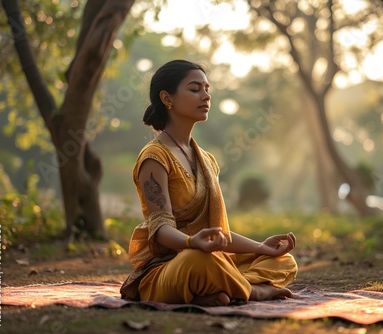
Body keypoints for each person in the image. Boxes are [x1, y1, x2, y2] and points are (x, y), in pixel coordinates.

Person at [120, 59, 298, 306]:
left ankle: (214, 292)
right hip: (170, 268)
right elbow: (160, 231)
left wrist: (262, 248)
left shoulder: (207, 160)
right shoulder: (154, 158)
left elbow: (219, 234)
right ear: (167, 98)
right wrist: (192, 242)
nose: (205, 96)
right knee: (198, 261)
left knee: (283, 261)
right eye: (195, 89)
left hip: (211, 258)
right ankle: (253, 290)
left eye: (207, 89)